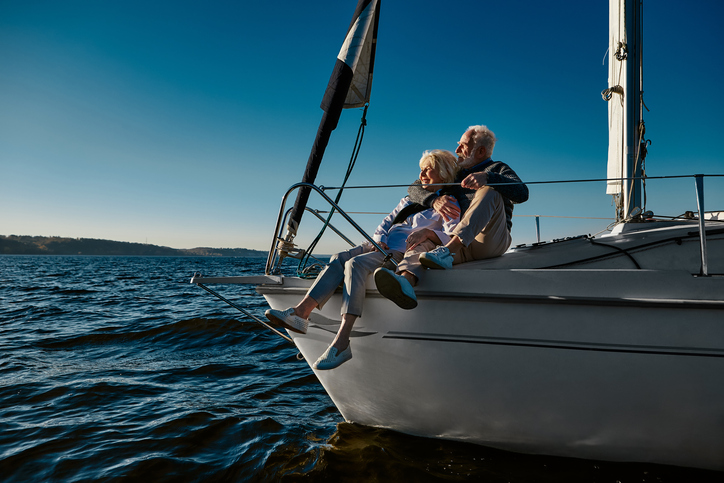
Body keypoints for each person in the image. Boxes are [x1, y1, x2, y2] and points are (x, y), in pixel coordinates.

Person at [265, 150, 461, 370]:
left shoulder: (448, 203)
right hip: (380, 244)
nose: (422, 174)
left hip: (399, 252)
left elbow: (453, 235)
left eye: (428, 169)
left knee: (355, 264)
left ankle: (342, 342)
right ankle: (301, 313)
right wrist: (380, 238)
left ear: (443, 174)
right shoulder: (408, 199)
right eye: (421, 169)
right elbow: (385, 223)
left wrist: (428, 234)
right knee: (338, 258)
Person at [407, 124, 528, 269]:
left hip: (488, 241)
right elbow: (414, 187)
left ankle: (449, 251)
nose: (457, 150)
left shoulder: (498, 168)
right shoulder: (456, 173)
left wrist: (489, 177)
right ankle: (405, 277)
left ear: (481, 151)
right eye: (458, 145)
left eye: (463, 146)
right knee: (419, 250)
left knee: (490, 191)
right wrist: (434, 200)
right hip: (458, 244)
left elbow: (522, 194)